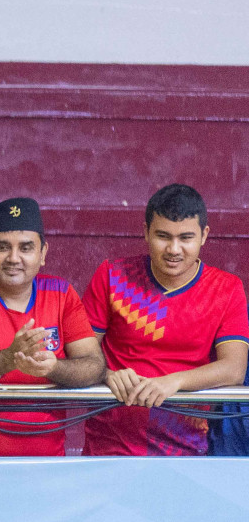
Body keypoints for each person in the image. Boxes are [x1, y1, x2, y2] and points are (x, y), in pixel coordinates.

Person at [0, 198, 105, 456]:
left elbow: (94, 365)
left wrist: (54, 367)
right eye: (2, 247)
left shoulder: (61, 292)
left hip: (47, 466)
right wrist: (8, 359)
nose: (14, 258)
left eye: (26, 248)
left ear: (43, 253)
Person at [83, 184, 248, 456]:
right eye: (163, 236)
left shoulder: (226, 288)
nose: (174, 249)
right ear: (145, 232)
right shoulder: (112, 276)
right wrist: (107, 374)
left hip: (188, 448)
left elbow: (233, 369)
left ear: (204, 236)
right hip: (109, 445)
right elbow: (81, 354)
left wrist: (173, 382)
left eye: (186, 237)